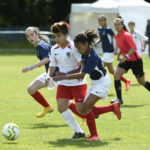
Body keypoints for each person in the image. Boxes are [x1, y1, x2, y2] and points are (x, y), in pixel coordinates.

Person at [52, 29, 121, 141]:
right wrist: (65, 73)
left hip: (102, 83)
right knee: (82, 109)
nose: (78, 50)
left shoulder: (93, 57)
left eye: (79, 47)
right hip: (94, 83)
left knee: (87, 108)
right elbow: (80, 68)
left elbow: (81, 75)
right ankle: (112, 107)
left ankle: (95, 135)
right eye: (77, 48)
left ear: (86, 44)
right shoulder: (84, 53)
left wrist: (62, 77)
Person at [46, 22, 86, 139]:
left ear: (66, 35)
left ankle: (103, 111)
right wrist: (49, 75)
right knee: (61, 106)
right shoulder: (54, 49)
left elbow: (82, 66)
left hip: (77, 82)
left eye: (59, 36)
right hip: (63, 83)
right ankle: (79, 132)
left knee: (82, 110)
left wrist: (66, 74)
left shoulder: (74, 47)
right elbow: (52, 65)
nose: (56, 39)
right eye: (55, 36)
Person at [111, 18, 150, 105]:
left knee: (141, 82)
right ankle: (119, 99)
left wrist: (125, 56)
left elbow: (133, 48)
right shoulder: (117, 36)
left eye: (118, 24)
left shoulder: (126, 35)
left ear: (122, 25)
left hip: (135, 61)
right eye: (115, 25)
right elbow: (123, 47)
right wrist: (118, 54)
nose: (117, 26)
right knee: (116, 75)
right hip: (127, 60)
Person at [22, 26, 58, 118]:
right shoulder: (40, 44)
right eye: (28, 36)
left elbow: (47, 59)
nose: (30, 37)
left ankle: (88, 113)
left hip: (58, 75)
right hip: (50, 73)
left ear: (37, 34)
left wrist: (30, 67)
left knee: (66, 102)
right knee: (31, 89)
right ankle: (47, 107)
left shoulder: (40, 46)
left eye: (32, 35)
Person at [94, 15, 131, 92]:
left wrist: (116, 49)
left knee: (100, 68)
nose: (101, 22)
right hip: (105, 52)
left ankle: (98, 87)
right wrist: (96, 42)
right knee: (111, 71)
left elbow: (117, 38)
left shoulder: (108, 29)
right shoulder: (99, 29)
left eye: (102, 20)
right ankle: (126, 81)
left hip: (109, 51)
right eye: (99, 21)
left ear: (105, 21)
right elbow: (101, 38)